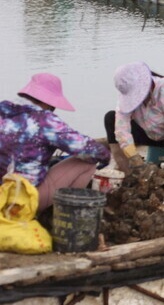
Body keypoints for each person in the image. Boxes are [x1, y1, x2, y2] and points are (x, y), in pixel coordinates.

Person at [0, 73, 110, 210]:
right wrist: (107, 158)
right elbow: (92, 151)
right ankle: (68, 212)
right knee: (86, 165)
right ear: (46, 102)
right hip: (19, 201)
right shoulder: (44, 120)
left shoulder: (3, 109)